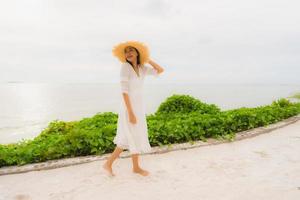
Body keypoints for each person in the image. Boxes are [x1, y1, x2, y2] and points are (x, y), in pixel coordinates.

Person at [103, 40, 165, 177]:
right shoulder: (125, 67)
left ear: (137, 53)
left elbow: (160, 70)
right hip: (128, 108)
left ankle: (135, 167)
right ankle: (109, 164)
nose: (128, 53)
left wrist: (148, 59)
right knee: (127, 137)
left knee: (134, 136)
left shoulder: (142, 68)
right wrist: (130, 112)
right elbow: (124, 91)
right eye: (126, 51)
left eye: (131, 50)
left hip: (139, 107)